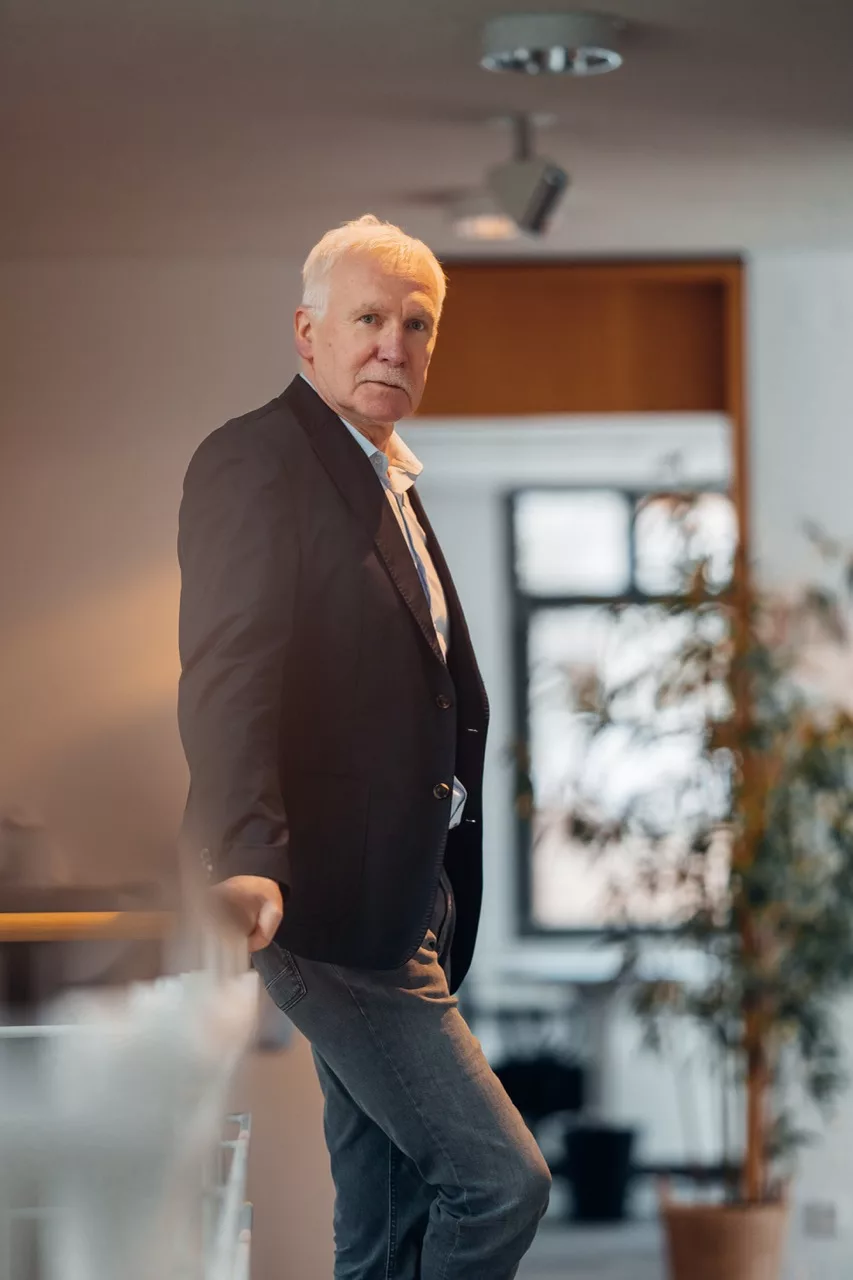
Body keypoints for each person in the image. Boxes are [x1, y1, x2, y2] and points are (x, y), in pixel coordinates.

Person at [177, 215, 551, 1277]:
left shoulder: (385, 475)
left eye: (416, 324)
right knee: (499, 1182)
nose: (395, 344)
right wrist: (244, 850)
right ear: (309, 334)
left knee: (386, 1220)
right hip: (328, 901)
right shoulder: (258, 460)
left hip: (406, 897)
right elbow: (229, 667)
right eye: (369, 318)